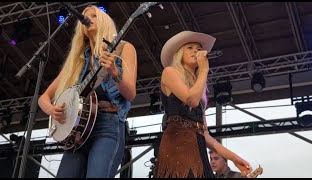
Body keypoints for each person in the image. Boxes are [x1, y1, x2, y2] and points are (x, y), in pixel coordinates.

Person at [38, 5, 137, 178]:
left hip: (108, 126)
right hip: (77, 132)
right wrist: (51, 110)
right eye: (84, 17)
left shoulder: (123, 48)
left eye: (94, 15)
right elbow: (43, 98)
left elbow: (130, 94)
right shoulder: (77, 59)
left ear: (104, 21)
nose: (87, 19)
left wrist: (115, 72)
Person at [153, 31, 252, 178]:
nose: (196, 51)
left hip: (197, 148)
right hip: (177, 146)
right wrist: (204, 69)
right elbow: (190, 100)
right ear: (180, 53)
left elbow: (206, 135)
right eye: (190, 48)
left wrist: (234, 158)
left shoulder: (198, 91)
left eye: (199, 49)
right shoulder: (170, 72)